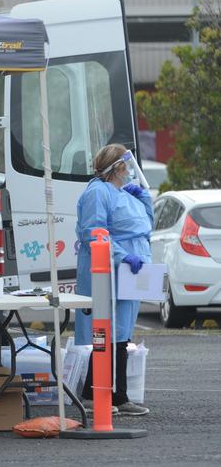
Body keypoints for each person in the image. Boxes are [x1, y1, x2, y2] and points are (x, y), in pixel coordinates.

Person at [75, 143, 152, 416]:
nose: (131, 170)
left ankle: (116, 396)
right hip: (108, 269)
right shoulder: (98, 192)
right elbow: (94, 233)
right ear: (117, 167)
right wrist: (122, 256)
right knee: (104, 331)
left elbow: (146, 226)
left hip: (131, 270)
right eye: (127, 165)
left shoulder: (125, 193)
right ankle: (97, 393)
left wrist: (144, 199)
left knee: (121, 334)